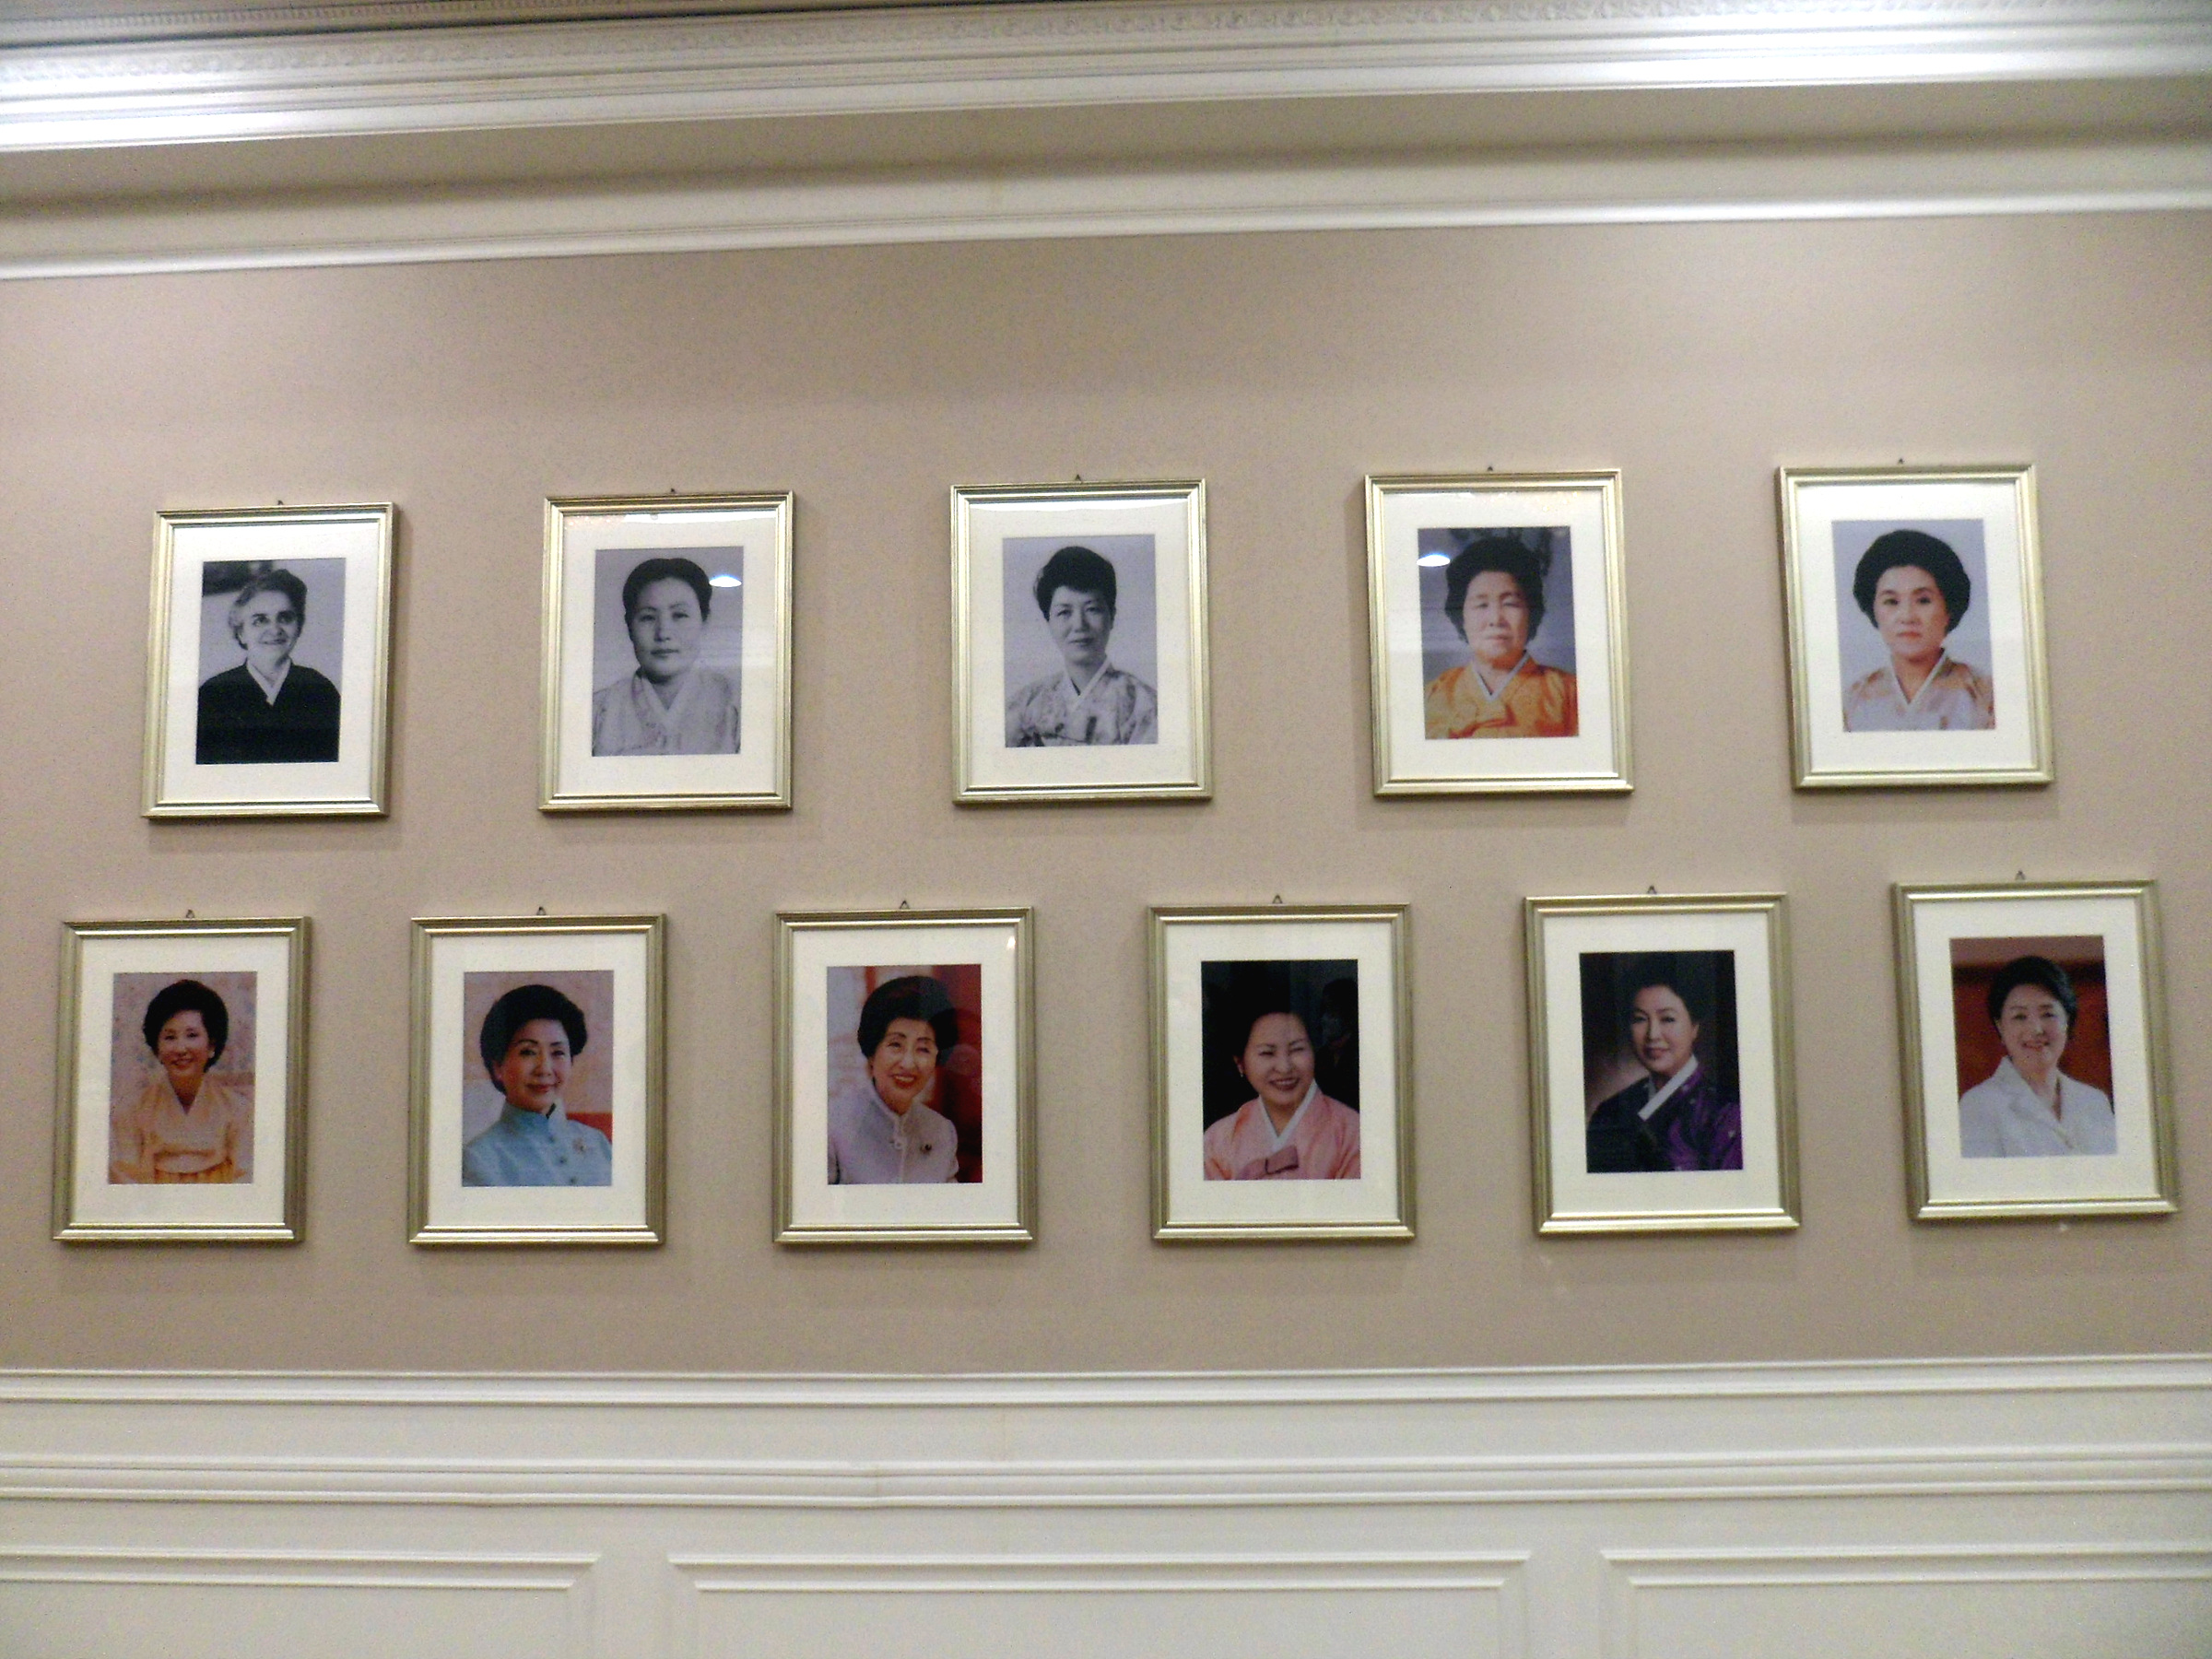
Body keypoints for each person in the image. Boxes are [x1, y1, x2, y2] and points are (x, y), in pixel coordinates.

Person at [1584, 959, 1741, 1172]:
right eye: (1640, 1019)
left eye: (1667, 1019)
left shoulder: (1725, 1114)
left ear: (1694, 1027)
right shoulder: (1610, 1111)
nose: (1653, 1035)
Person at [1958, 955, 2115, 1157]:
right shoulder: (1978, 1105)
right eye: (2020, 1016)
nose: (2036, 1029)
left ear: (2068, 1021)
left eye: (2047, 1014)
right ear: (2000, 1027)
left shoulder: (2095, 1101)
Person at [1423, 534, 1578, 739]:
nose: (1496, 619)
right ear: (1461, 617)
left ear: (1531, 614)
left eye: (1510, 603)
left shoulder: (1570, 694)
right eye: (1481, 605)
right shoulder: (1432, 695)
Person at [1841, 528, 1996, 731]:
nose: (1907, 616)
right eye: (1891, 601)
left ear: (1949, 608)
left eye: (1923, 600)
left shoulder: (1987, 696)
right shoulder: (1852, 701)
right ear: (1873, 610)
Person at [1005, 545, 1158, 747]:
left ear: (1112, 616)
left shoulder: (1145, 707)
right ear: (1049, 621)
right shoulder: (1024, 706)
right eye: (1064, 612)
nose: (1079, 625)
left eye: (1092, 609)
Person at [462, 983, 612, 1186]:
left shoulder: (598, 1142)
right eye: (528, 1052)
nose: (545, 1069)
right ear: (498, 1067)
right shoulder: (479, 1160)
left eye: (558, 1052)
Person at [592, 556, 742, 756]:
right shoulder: (598, 711)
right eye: (648, 617)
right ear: (629, 626)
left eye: (679, 615)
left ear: (704, 621)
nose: (663, 633)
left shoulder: (736, 706)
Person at [1202, 996, 1360, 1181]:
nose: (1284, 1067)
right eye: (1267, 1053)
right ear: (1240, 1063)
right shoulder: (1217, 1141)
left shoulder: (1352, 1133)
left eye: (1297, 1049)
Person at [109, 979, 252, 1183]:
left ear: (212, 1045)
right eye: (170, 1037)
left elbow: (246, 1179)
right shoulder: (131, 1110)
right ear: (157, 1048)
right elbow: (124, 1178)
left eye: (191, 1035)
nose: (180, 1048)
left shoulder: (239, 1110)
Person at [194, 568, 341, 764]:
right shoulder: (213, 694)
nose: (274, 629)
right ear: (241, 633)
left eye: (285, 618)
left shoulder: (321, 690)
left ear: (299, 627)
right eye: (260, 620)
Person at [829, 975, 964, 1183]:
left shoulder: (942, 1132)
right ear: (872, 1052)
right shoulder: (832, 1125)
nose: (908, 1064)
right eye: (895, 1045)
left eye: (923, 1049)